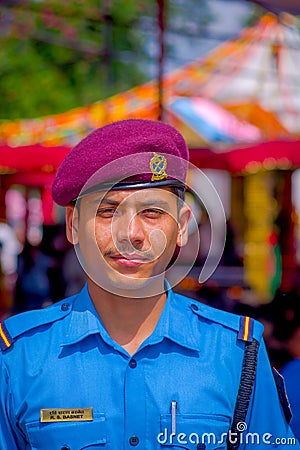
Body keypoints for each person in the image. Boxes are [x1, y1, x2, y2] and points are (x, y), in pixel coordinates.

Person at [0, 119, 298, 449]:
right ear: (73, 224)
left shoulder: (236, 353)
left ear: (183, 227)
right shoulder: (19, 357)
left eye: (153, 213)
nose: (131, 235)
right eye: (108, 211)